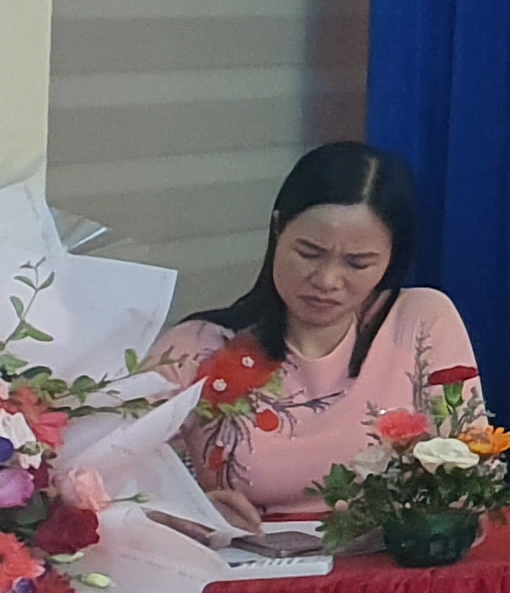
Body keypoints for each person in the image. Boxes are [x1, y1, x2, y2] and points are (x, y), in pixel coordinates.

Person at [164, 144, 478, 528]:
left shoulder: (421, 323)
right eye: (309, 253)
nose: (327, 281)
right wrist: (183, 510)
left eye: (358, 263)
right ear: (278, 229)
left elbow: (470, 471)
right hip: (247, 560)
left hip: (392, 560)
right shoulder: (199, 347)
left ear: (391, 259)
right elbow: (105, 472)